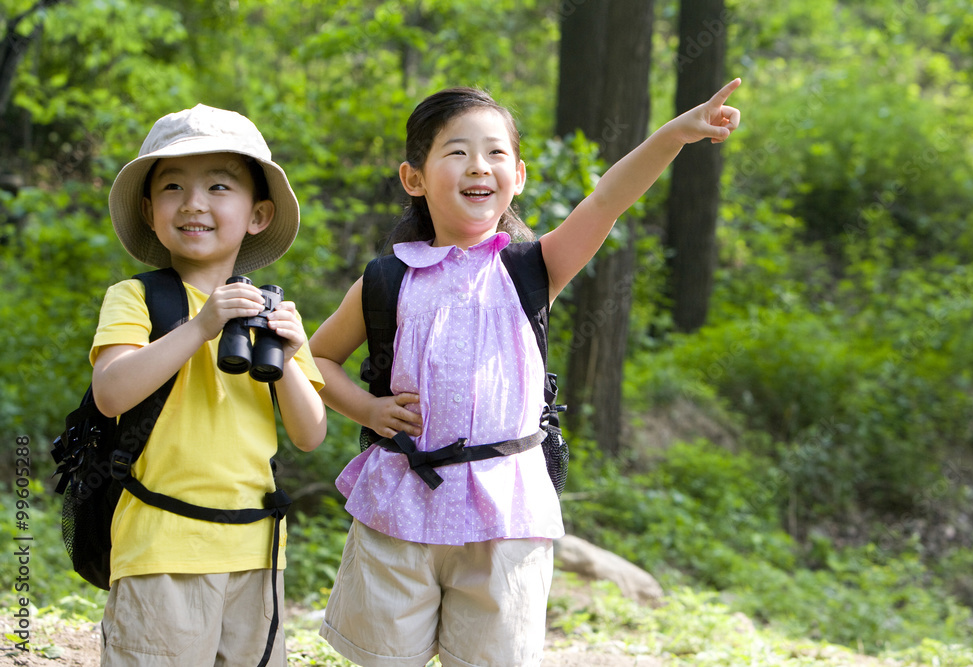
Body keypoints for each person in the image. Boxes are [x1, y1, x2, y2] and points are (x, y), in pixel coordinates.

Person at [309, 79, 742, 667]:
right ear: (414, 178)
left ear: (518, 174)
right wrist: (367, 409)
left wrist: (677, 134)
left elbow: (607, 200)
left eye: (494, 153)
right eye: (456, 151)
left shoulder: (532, 268)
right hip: (400, 507)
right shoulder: (388, 279)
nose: (478, 166)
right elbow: (315, 358)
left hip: (506, 511)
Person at [92, 104, 327, 666]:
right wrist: (202, 326)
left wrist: (290, 358)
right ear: (150, 212)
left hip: (256, 553)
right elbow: (112, 393)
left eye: (219, 186)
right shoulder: (137, 298)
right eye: (173, 187)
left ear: (258, 214)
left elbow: (311, 433)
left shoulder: (272, 314)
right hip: (161, 550)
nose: (194, 203)